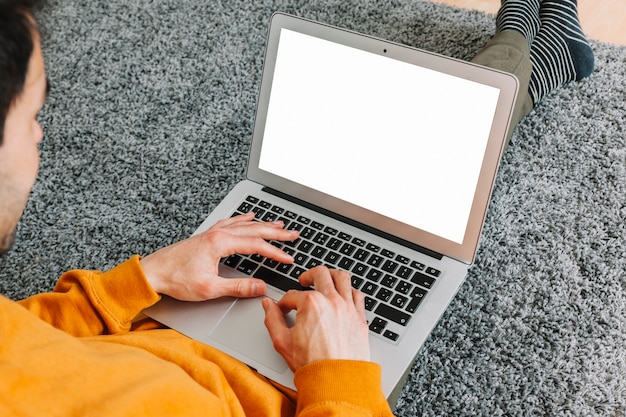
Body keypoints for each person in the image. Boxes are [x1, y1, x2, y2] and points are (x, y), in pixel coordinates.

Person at [0, 0, 593, 415]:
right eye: (33, 115)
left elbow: (25, 340)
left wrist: (141, 280)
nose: (43, 135)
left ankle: (536, 50)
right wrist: (335, 373)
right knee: (439, 154)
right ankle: (534, 50)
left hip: (163, 326)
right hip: (299, 388)